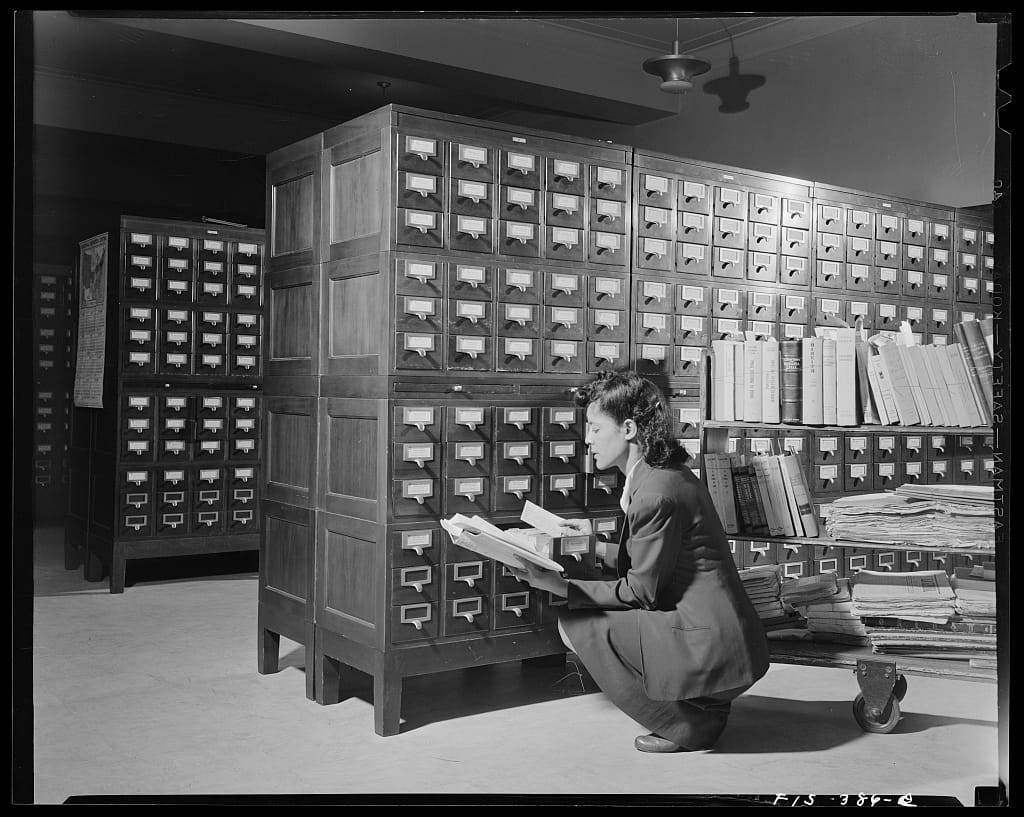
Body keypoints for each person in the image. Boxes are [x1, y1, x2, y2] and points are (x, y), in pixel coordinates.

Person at [511, 369, 769, 753]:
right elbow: (657, 558)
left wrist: (559, 586)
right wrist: (592, 545)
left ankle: (685, 724)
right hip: (727, 639)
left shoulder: (653, 494)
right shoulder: (665, 474)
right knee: (590, 614)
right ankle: (702, 705)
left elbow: (640, 592)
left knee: (576, 624)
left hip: (710, 646)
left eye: (595, 428)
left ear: (629, 428)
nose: (587, 439)